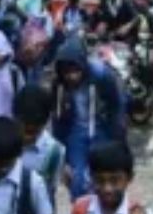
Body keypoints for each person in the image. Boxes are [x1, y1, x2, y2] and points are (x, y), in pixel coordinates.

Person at [50, 35, 126, 200]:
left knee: (103, 178)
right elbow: (57, 121)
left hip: (101, 132)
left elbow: (117, 106)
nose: (71, 76)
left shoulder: (101, 75)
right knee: (77, 180)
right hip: (76, 135)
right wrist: (62, 160)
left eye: (75, 71)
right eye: (67, 73)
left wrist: (118, 140)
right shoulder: (59, 86)